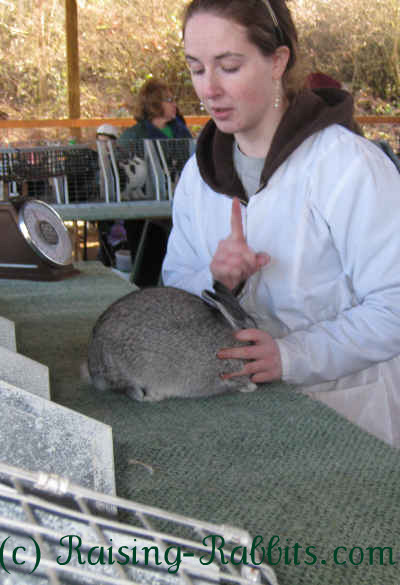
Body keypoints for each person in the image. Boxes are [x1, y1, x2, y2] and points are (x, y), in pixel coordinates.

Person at [162, 0, 400, 447]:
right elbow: (173, 283)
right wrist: (214, 279)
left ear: (277, 61)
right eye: (196, 69)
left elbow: (394, 306)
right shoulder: (199, 174)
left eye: (228, 67)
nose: (208, 89)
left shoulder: (348, 167)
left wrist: (291, 356)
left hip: (351, 418)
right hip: (239, 420)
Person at [118, 78, 192, 142]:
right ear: (155, 103)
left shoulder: (181, 130)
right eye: (169, 100)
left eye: (174, 100)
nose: (174, 105)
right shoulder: (134, 136)